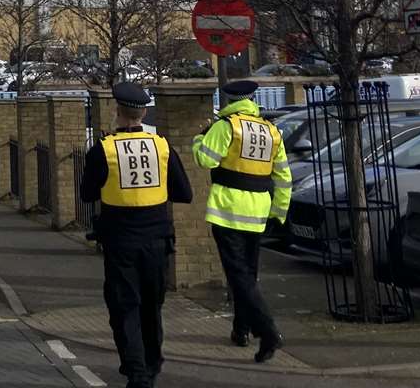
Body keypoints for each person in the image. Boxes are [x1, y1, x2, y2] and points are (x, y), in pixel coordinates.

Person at [80, 83, 192, 388]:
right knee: (152, 306)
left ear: (118, 111)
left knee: (125, 305)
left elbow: (87, 193)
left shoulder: (103, 149)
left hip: (121, 241)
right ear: (143, 112)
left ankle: (136, 370)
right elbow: (184, 193)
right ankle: (152, 364)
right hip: (157, 239)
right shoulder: (163, 146)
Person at [191, 79, 290, 364]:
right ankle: (241, 329)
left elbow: (204, 160)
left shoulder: (227, 126)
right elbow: (283, 176)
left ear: (229, 99)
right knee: (248, 274)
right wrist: (278, 212)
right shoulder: (272, 131)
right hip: (258, 212)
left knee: (239, 276)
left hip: (228, 210)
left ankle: (268, 331)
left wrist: (199, 139)